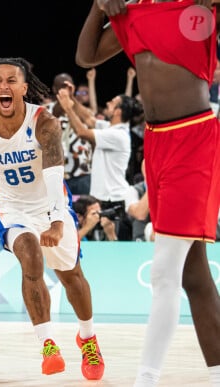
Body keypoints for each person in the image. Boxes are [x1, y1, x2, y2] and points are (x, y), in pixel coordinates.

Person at [76, 1, 220, 385]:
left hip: (194, 138)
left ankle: (146, 379)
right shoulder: (133, 12)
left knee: (163, 272)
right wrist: (97, 7)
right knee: (194, 275)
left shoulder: (201, 6)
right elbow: (86, 56)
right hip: (155, 145)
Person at [0, 57, 105, 381]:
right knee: (30, 255)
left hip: (51, 202)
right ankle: (47, 344)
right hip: (10, 208)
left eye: (10, 80)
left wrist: (56, 221)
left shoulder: (44, 122)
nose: (3, 85)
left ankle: (87, 338)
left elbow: (53, 174)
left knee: (71, 275)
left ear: (22, 87)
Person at [57, 89, 142, 240]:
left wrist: (68, 108)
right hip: (104, 199)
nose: (108, 103)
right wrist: (72, 99)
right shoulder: (111, 128)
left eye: (113, 102)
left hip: (115, 200)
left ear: (118, 112)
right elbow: (89, 119)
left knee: (117, 248)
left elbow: (82, 132)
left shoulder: (118, 135)